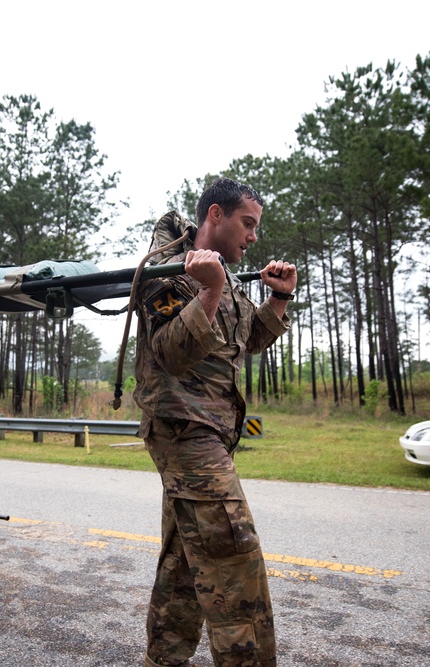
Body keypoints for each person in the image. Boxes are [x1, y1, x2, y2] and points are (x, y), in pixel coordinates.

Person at [134, 178, 297, 667]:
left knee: (184, 562)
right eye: (247, 224)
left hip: (212, 435)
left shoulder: (223, 278)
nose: (252, 237)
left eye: (256, 228)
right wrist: (207, 292)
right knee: (232, 553)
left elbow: (247, 339)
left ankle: (163, 660)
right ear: (215, 216)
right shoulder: (167, 274)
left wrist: (279, 301)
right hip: (183, 429)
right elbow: (170, 354)